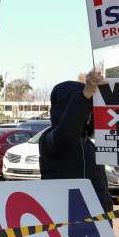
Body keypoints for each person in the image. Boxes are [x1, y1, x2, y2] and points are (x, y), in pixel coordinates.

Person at [38, 68, 112, 211]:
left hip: (97, 225)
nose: (90, 113)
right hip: (66, 223)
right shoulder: (50, 139)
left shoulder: (88, 144)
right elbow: (66, 132)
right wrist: (85, 96)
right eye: (88, 107)